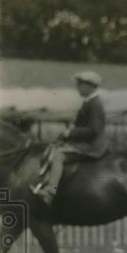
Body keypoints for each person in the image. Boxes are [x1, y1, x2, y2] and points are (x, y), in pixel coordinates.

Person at [31, 71, 110, 205]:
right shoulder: (88, 102)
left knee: (58, 156)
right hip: (86, 142)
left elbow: (94, 130)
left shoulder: (94, 104)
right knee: (53, 148)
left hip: (93, 146)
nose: (77, 87)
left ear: (90, 86)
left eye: (80, 84)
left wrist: (71, 133)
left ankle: (51, 191)